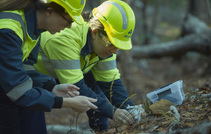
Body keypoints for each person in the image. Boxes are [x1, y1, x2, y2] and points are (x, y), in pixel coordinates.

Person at [34, 0, 146, 132]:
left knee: (96, 91)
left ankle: (100, 130)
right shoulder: (64, 38)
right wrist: (114, 112)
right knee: (31, 125)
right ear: (94, 32)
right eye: (112, 44)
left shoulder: (104, 43)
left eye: (118, 46)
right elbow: (77, 87)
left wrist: (130, 110)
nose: (115, 51)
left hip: (71, 73)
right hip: (34, 78)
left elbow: (111, 84)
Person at [0, 0, 98, 134]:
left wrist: (51, 87)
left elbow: (25, 67)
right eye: (67, 21)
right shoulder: (9, 30)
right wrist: (65, 102)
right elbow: (18, 91)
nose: (69, 27)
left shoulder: (34, 27)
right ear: (50, 11)